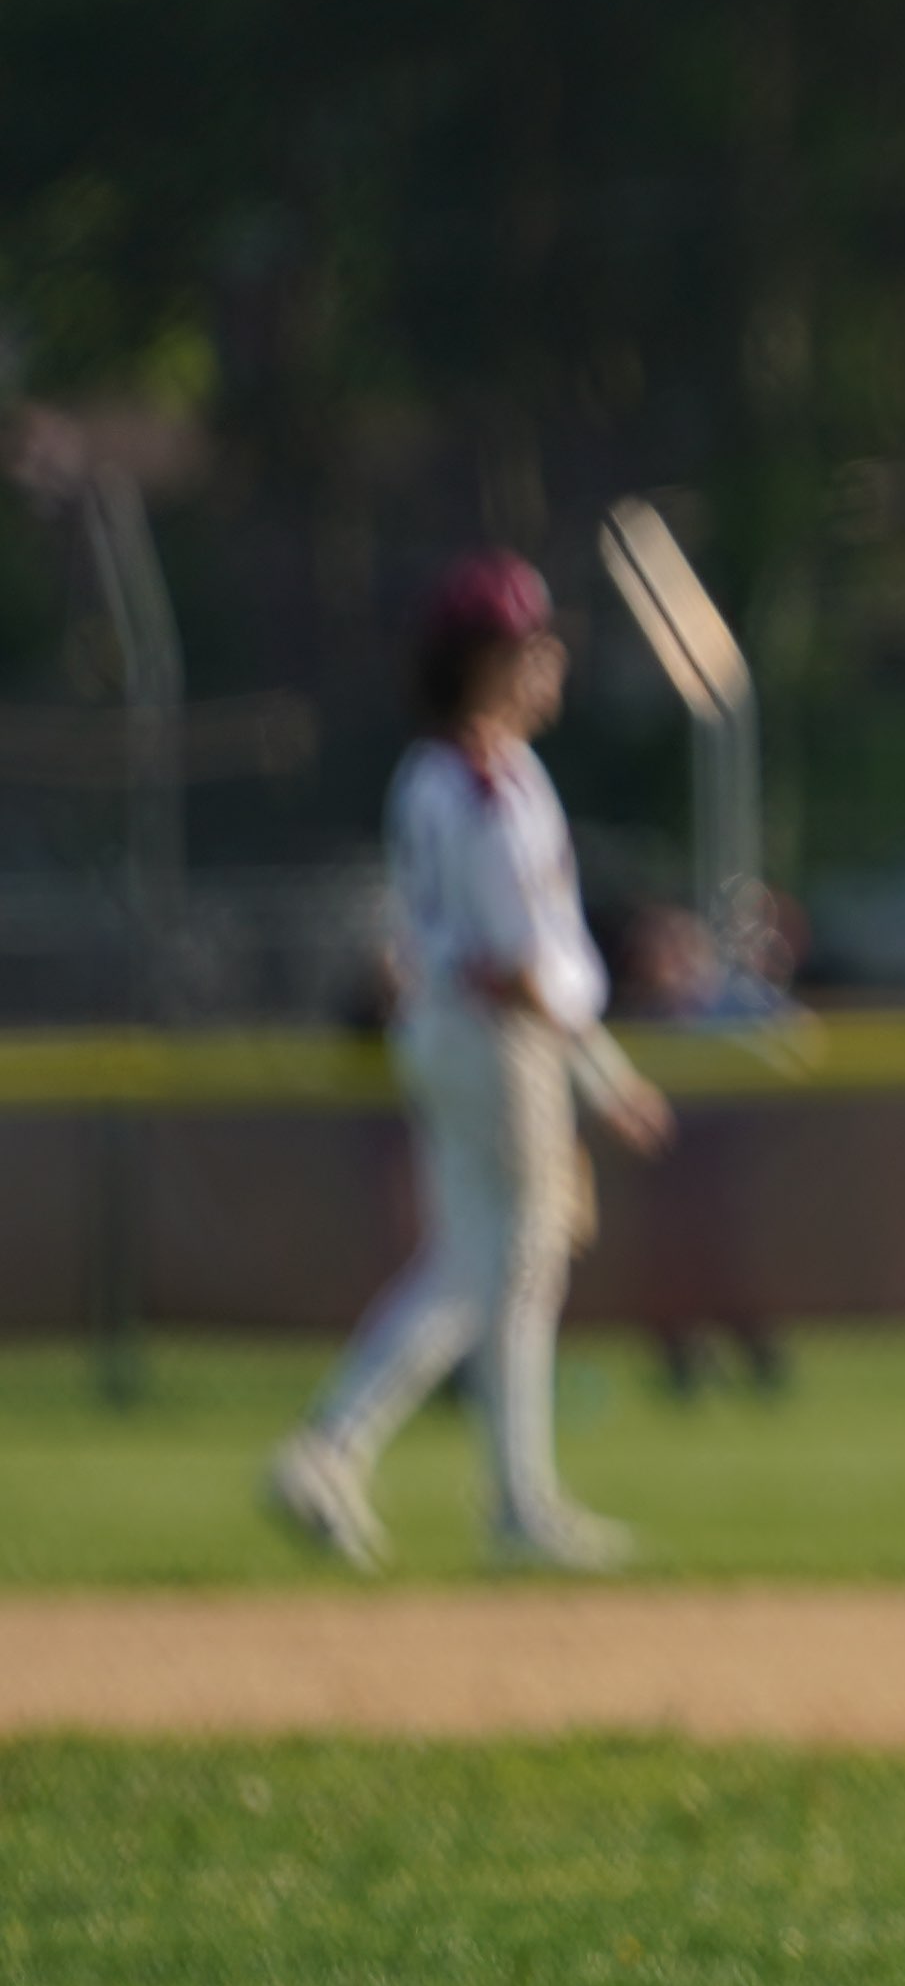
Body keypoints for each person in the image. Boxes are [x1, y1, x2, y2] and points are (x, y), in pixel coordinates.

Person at [264, 552, 674, 1573]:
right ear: (489, 659)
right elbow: (517, 965)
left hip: (448, 1033)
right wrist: (608, 1078)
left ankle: (372, 1454)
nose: (551, 661)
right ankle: (484, 1493)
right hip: (499, 1040)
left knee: (479, 1261)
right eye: (531, 645)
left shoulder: (444, 772)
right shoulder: (488, 785)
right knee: (511, 1263)